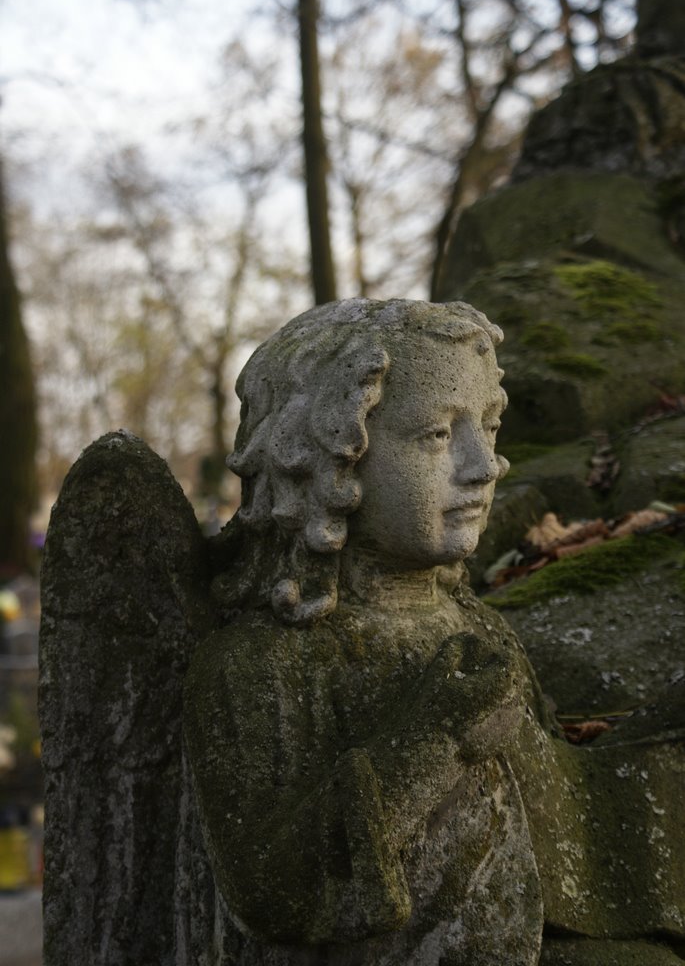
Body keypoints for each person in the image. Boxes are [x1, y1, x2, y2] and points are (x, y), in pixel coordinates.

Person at [185, 299, 685, 966]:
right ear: (329, 457)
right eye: (438, 436)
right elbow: (276, 895)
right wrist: (431, 743)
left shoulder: (476, 627)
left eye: (487, 426)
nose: (484, 466)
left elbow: (563, 819)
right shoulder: (261, 664)